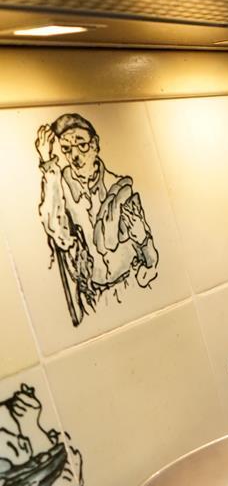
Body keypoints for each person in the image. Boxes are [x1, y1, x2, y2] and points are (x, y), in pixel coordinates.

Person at [37, 112, 159, 326]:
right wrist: (47, 164)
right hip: (94, 298)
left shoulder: (118, 186)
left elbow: (149, 254)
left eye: (82, 145)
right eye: (66, 149)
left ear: (94, 145)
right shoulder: (60, 189)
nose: (75, 155)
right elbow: (58, 233)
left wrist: (142, 239)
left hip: (131, 285)